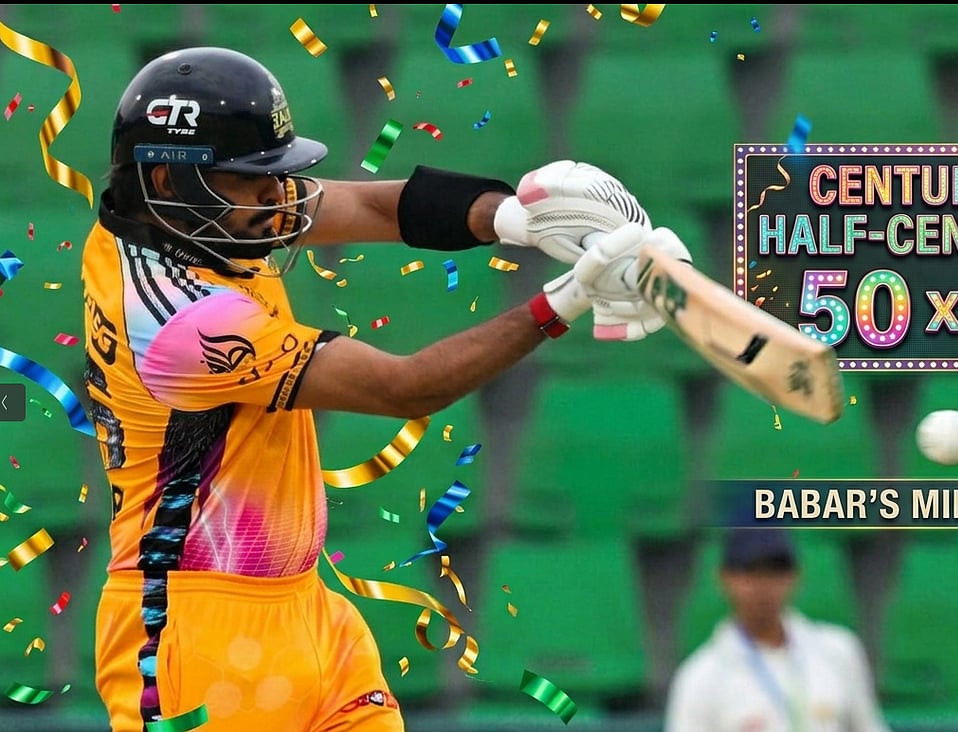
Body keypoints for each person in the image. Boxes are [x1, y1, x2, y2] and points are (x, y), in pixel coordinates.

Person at [83, 46, 689, 732]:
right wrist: (567, 299)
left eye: (276, 174)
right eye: (253, 180)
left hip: (307, 611)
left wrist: (517, 219)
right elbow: (405, 388)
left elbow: (371, 206)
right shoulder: (180, 323)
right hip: (190, 633)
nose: (279, 198)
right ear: (167, 177)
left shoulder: (178, 218)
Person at [665, 529, 891, 732]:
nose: (764, 585)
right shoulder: (701, 677)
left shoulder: (837, 651)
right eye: (751, 571)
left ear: (795, 575)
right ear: (725, 578)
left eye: (775, 571)